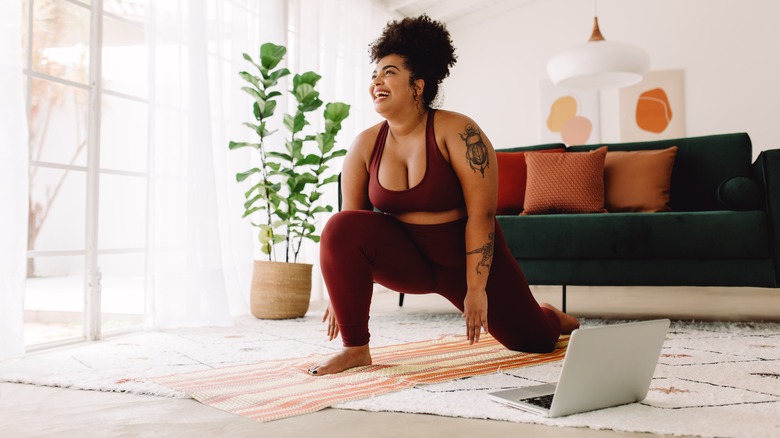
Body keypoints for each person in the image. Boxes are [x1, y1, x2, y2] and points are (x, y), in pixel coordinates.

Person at [307, 15, 579, 376]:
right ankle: (356, 349)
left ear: (417, 85)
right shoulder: (364, 145)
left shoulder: (458, 131)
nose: (376, 81)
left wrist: (477, 288)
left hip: (462, 258)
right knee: (339, 225)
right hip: (409, 260)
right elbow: (349, 226)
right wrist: (341, 298)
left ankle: (552, 316)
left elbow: (482, 215)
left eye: (388, 72)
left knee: (534, 341)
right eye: (374, 74)